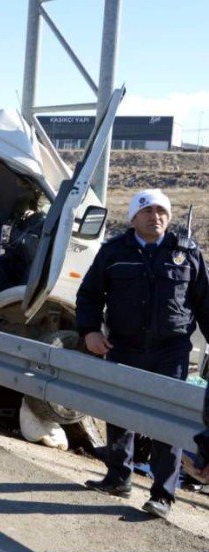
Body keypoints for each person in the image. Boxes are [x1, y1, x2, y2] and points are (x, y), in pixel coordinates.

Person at [77, 188, 209, 519]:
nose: (156, 217)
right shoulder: (113, 252)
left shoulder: (186, 253)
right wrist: (90, 331)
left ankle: (162, 496)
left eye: (162, 211)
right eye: (148, 211)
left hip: (171, 351)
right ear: (134, 217)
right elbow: (89, 295)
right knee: (121, 414)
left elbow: (205, 303)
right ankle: (118, 477)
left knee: (167, 423)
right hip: (124, 346)